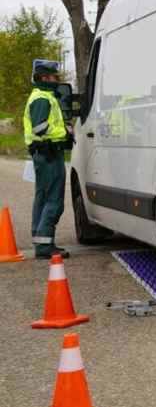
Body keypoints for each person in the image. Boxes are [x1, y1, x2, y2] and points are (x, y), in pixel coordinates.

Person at [23, 59, 74, 259]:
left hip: (44, 154)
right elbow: (40, 128)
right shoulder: (43, 98)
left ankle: (41, 242)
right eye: (54, 77)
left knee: (43, 198)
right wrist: (65, 130)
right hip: (49, 154)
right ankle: (45, 246)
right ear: (44, 77)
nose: (56, 80)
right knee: (53, 201)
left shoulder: (41, 96)